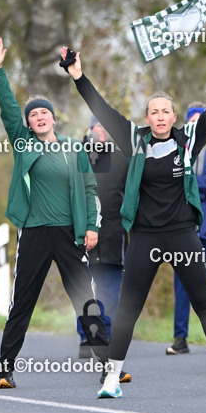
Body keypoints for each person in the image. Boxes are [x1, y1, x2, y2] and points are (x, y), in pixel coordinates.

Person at [65, 45, 206, 398]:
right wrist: (78, 75)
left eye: (166, 111)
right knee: (128, 309)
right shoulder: (134, 140)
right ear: (147, 118)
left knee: (205, 303)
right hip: (146, 238)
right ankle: (111, 378)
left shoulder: (189, 139)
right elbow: (102, 111)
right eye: (154, 112)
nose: (161, 117)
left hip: (183, 234)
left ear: (173, 116)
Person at [0, 38, 107, 389]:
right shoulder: (23, 144)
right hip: (35, 233)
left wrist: (91, 227)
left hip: (70, 234)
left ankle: (108, 366)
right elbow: (9, 108)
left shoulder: (73, 148)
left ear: (54, 119)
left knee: (86, 300)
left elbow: (89, 189)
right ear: (29, 123)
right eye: (33, 115)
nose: (39, 117)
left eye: (44, 113)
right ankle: (6, 370)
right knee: (22, 302)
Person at [167, 102, 206, 356]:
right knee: (182, 284)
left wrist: (192, 179)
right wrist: (198, 181)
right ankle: (180, 337)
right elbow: (172, 180)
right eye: (192, 121)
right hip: (184, 228)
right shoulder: (177, 149)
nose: (197, 125)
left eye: (201, 121)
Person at [75, 118, 128, 359]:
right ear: (90, 130)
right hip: (81, 233)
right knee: (83, 287)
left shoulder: (122, 158)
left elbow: (131, 195)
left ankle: (107, 336)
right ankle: (86, 336)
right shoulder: (76, 155)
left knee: (109, 288)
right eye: (100, 128)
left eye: (108, 128)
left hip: (112, 235)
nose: (103, 133)